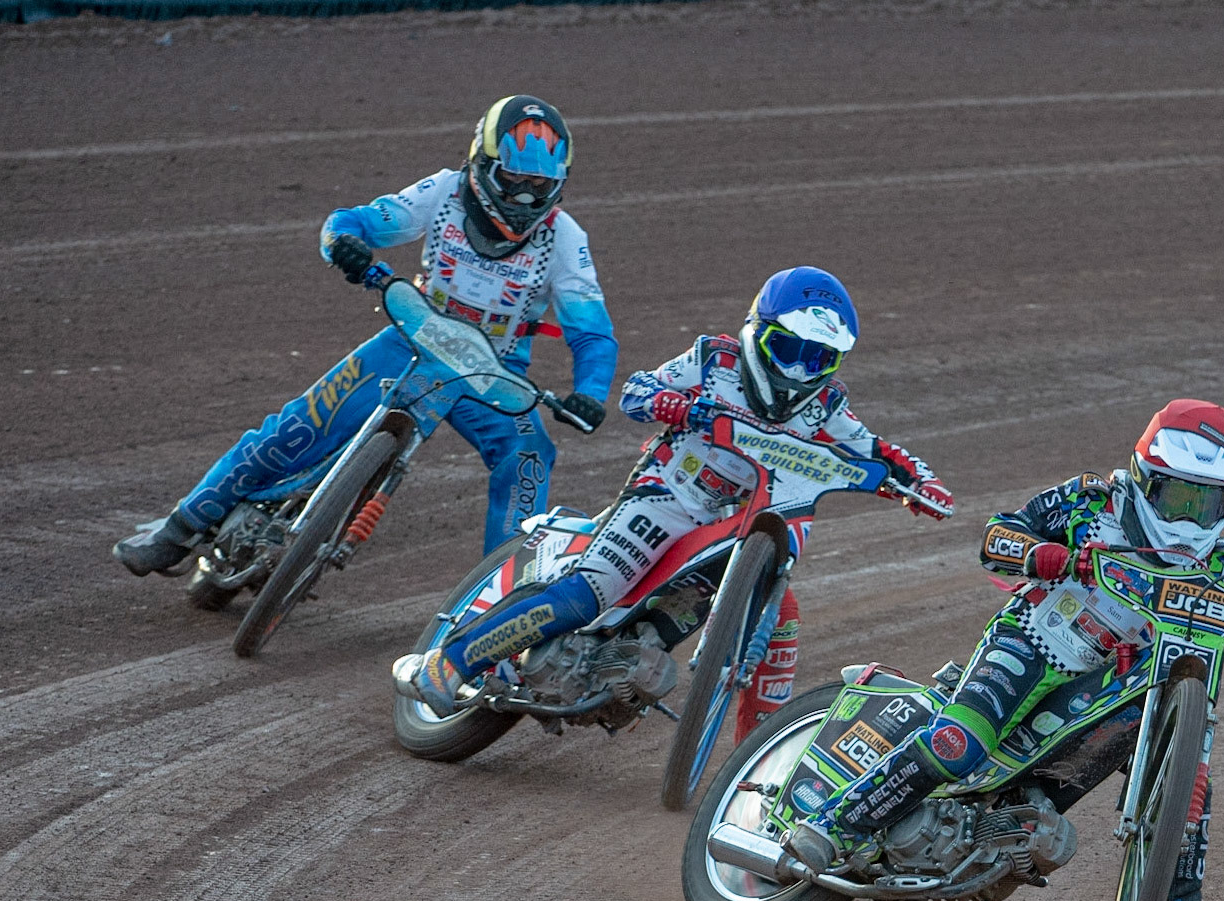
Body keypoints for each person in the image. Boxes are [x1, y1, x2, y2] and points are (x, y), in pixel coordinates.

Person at [783, 399, 1224, 901]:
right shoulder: (1091, 501)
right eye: (1178, 496)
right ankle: (835, 825)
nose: (1188, 518)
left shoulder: (1222, 566)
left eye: (1206, 502)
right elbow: (997, 536)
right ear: (1143, 478)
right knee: (961, 741)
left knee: (1191, 787)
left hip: (1125, 686)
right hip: (1033, 644)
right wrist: (1045, 554)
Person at [394, 265, 953, 739]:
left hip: (733, 524)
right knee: (591, 593)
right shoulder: (715, 360)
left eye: (819, 359)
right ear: (759, 332)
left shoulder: (825, 403)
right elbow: (637, 391)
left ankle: (746, 755)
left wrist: (918, 481)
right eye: (788, 349)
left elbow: (876, 448)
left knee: (730, 612)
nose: (798, 370)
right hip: (665, 496)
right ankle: (450, 663)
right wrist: (678, 406)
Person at [113, 95, 617, 576]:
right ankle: (180, 527)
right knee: (298, 426)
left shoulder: (565, 239)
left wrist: (591, 393)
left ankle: (501, 592)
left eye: (539, 184)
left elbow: (593, 334)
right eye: (513, 179)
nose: (526, 197)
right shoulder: (443, 192)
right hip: (413, 339)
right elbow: (350, 222)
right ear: (482, 166)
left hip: (492, 375)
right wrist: (345, 244)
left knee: (529, 458)